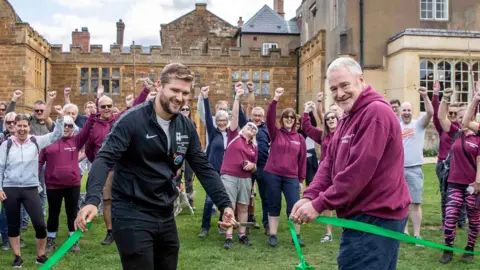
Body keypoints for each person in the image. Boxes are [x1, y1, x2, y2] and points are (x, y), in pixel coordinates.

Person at [75, 63, 235, 270]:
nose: (180, 97)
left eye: (185, 93)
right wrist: (92, 200)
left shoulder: (185, 125)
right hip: (132, 212)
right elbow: (104, 159)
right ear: (159, 85)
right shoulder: (131, 120)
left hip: (164, 211)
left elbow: (203, 167)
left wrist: (225, 205)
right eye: (175, 90)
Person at [290, 57, 411, 270]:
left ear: (361, 80)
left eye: (344, 85)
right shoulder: (348, 116)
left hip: (375, 218)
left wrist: (319, 204)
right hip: (361, 217)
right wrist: (310, 195)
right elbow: (329, 162)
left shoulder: (375, 113)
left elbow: (358, 172)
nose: (339, 94)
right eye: (333, 89)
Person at [84, 83, 149, 245]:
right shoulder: (93, 127)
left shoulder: (120, 119)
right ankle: (110, 232)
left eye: (109, 106)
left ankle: (130, 230)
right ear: (99, 108)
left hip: (125, 168)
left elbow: (134, 107)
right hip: (107, 170)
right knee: (107, 201)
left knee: (129, 199)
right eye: (103, 106)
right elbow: (89, 150)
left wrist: (146, 90)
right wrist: (101, 165)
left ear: (113, 107)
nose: (106, 108)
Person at [0, 106, 65, 268]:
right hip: (10, 188)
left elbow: (57, 135)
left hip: (31, 188)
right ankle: (17, 257)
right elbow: (0, 167)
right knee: (13, 224)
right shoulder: (6, 145)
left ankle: (40, 255)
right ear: (14, 126)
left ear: (29, 127)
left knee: (39, 224)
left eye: (25, 126)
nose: (22, 129)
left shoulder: (36, 140)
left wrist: (61, 117)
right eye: (19, 125)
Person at [39, 114, 95, 253]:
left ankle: (73, 240)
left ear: (73, 127)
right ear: (59, 126)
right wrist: (35, 179)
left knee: (72, 213)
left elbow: (87, 129)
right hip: (53, 185)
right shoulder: (49, 142)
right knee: (53, 213)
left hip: (72, 184)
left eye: (70, 125)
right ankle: (50, 239)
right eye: (64, 125)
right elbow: (39, 162)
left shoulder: (76, 141)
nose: (67, 128)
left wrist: (93, 114)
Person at [197, 86, 248, 238]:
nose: (221, 123)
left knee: (225, 200)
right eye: (218, 120)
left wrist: (237, 97)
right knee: (208, 200)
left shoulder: (234, 135)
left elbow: (242, 121)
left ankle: (221, 224)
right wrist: (205, 98)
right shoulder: (213, 134)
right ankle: (205, 227)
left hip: (227, 172)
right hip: (213, 171)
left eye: (224, 120)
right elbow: (207, 117)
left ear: (228, 121)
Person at [437, 85, 480, 263]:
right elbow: (441, 117)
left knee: (474, 220)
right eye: (459, 118)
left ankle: (469, 249)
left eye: (464, 117)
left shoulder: (478, 137)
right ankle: (448, 250)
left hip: (472, 185)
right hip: (454, 183)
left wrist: (477, 182)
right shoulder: (456, 133)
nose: (461, 121)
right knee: (450, 217)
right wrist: (445, 98)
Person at [265, 87, 307, 247]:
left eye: (292, 117)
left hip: (291, 177)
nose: (289, 119)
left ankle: (296, 235)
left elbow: (302, 161)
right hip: (273, 174)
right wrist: (275, 98)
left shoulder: (300, 138)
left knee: (294, 206)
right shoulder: (275, 133)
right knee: (274, 204)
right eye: (286, 117)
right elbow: (269, 117)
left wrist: (301, 180)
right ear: (282, 119)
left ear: (295, 121)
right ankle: (273, 235)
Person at [220, 83, 258, 249]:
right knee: (230, 205)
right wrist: (237, 97)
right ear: (243, 129)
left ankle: (242, 235)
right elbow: (235, 116)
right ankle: (228, 236)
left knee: (243, 206)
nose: (251, 128)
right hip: (229, 175)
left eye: (254, 128)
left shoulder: (254, 147)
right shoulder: (234, 135)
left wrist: (252, 165)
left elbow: (256, 166)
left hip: (245, 178)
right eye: (249, 126)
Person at [302, 99, 339, 244]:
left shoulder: (343, 133)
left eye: (333, 118)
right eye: (327, 119)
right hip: (327, 173)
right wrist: (306, 111)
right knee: (328, 202)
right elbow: (307, 127)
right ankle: (328, 232)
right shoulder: (323, 136)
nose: (330, 120)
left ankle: (347, 229)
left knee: (345, 202)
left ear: (337, 120)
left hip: (341, 172)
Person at [431, 80, 466, 229]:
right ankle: (445, 220)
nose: (451, 115)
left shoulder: (462, 129)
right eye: (449, 112)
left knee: (463, 193)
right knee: (445, 193)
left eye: (454, 113)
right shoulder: (444, 129)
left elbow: (470, 115)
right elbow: (437, 115)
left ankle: (461, 221)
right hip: (444, 165)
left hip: (460, 165)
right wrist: (436, 95)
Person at [400, 88, 433, 242]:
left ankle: (417, 233)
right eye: (404, 110)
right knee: (402, 203)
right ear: (400, 112)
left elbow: (430, 113)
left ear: (412, 112)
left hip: (414, 169)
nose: (406, 112)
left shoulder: (418, 124)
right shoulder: (396, 125)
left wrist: (425, 96)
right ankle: (404, 231)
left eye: (408, 110)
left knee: (415, 203)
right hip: (398, 171)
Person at [245, 83, 271, 234]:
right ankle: (247, 223)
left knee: (265, 197)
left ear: (263, 117)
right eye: (255, 115)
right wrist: (250, 91)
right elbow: (249, 104)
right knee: (246, 196)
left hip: (263, 166)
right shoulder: (247, 127)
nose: (257, 117)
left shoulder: (268, 130)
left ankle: (267, 224)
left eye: (260, 115)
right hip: (247, 165)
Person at [179, 104, 196, 209]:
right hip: (179, 153)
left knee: (188, 178)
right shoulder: (176, 122)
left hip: (189, 155)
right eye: (183, 109)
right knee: (176, 178)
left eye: (187, 109)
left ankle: (190, 201)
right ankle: (175, 202)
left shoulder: (192, 123)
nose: (185, 110)